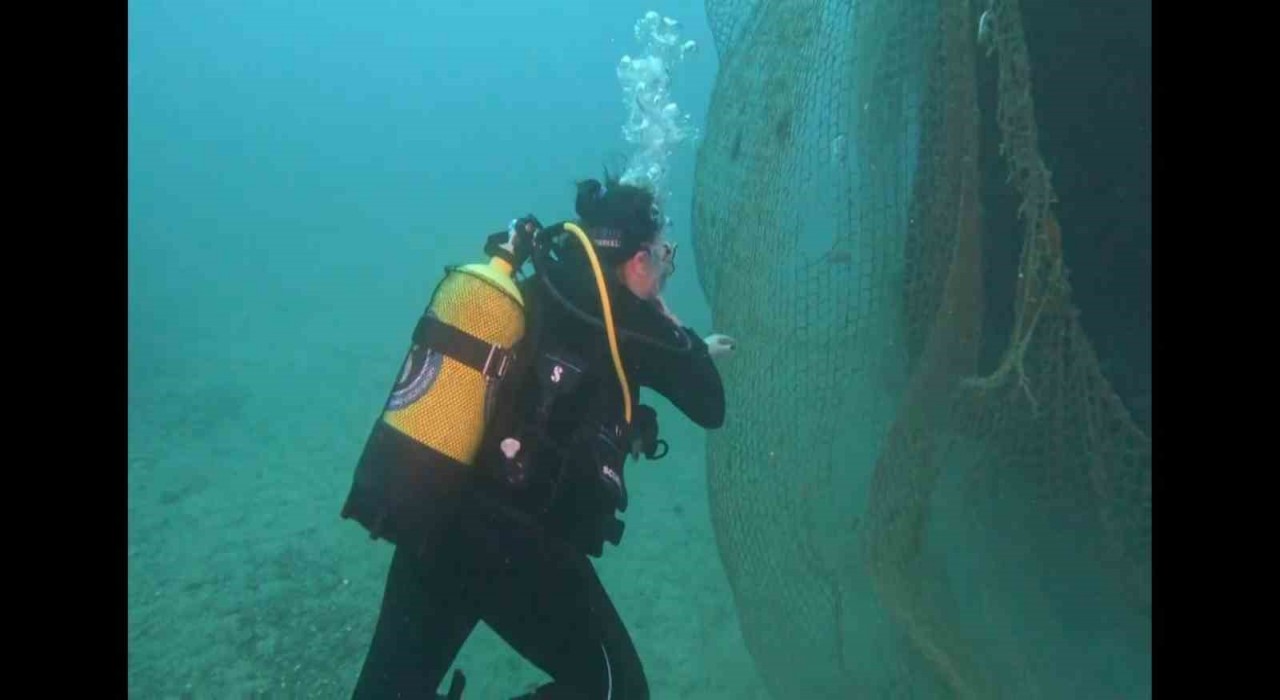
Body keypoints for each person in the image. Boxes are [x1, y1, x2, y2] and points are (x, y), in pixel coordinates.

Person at [341, 174, 735, 699]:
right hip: (519, 547)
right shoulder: (636, 322)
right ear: (638, 260)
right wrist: (674, 326)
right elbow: (711, 406)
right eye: (664, 257)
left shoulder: (534, 288)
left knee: (385, 693)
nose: (666, 272)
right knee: (619, 693)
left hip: (438, 515)